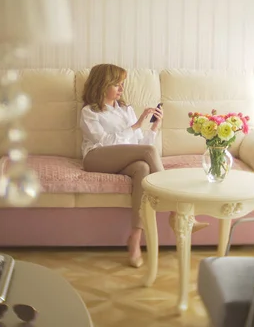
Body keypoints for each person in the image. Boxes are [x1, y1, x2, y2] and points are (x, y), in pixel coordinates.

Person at [80, 64, 208, 268]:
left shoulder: (125, 109)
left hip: (123, 159)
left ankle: (134, 240)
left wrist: (154, 126)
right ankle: (179, 212)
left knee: (142, 168)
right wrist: (137, 125)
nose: (121, 89)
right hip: (96, 158)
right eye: (116, 84)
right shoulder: (90, 112)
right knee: (147, 154)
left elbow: (140, 145)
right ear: (102, 85)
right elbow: (103, 142)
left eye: (122, 84)